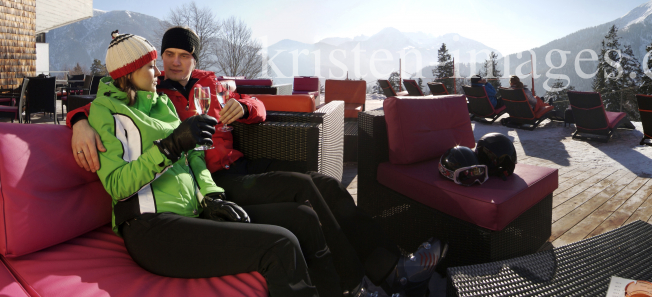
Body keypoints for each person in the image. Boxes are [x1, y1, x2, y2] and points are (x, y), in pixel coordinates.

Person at [69, 26, 442, 296]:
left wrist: (245, 106)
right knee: (304, 191)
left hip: (234, 166)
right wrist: (77, 122)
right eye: (168, 56)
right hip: (215, 179)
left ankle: (388, 263)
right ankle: (369, 277)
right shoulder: (154, 92)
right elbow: (106, 106)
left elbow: (259, 107)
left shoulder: (210, 84)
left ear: (194, 59)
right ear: (155, 61)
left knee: (324, 184)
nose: (175, 63)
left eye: (184, 55)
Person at [90, 32, 341, 297]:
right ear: (128, 72)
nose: (158, 73)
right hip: (151, 228)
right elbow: (117, 185)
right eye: (152, 66)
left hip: (194, 213)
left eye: (156, 65)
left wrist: (211, 197)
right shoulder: (106, 110)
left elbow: (194, 157)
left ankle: (342, 290)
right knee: (280, 245)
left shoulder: (162, 103)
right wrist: (170, 146)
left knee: (301, 218)